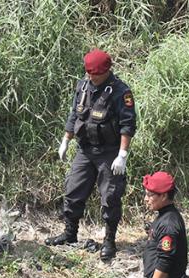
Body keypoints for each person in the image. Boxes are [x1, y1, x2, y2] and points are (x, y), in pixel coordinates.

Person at [45, 49, 137, 261]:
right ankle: (70, 234)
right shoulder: (83, 86)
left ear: (106, 71)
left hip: (109, 152)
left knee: (110, 197)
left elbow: (127, 124)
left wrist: (122, 154)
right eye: (88, 73)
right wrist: (66, 140)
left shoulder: (121, 92)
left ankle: (109, 241)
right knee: (73, 190)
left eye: (95, 73)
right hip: (85, 150)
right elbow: (74, 114)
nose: (91, 77)